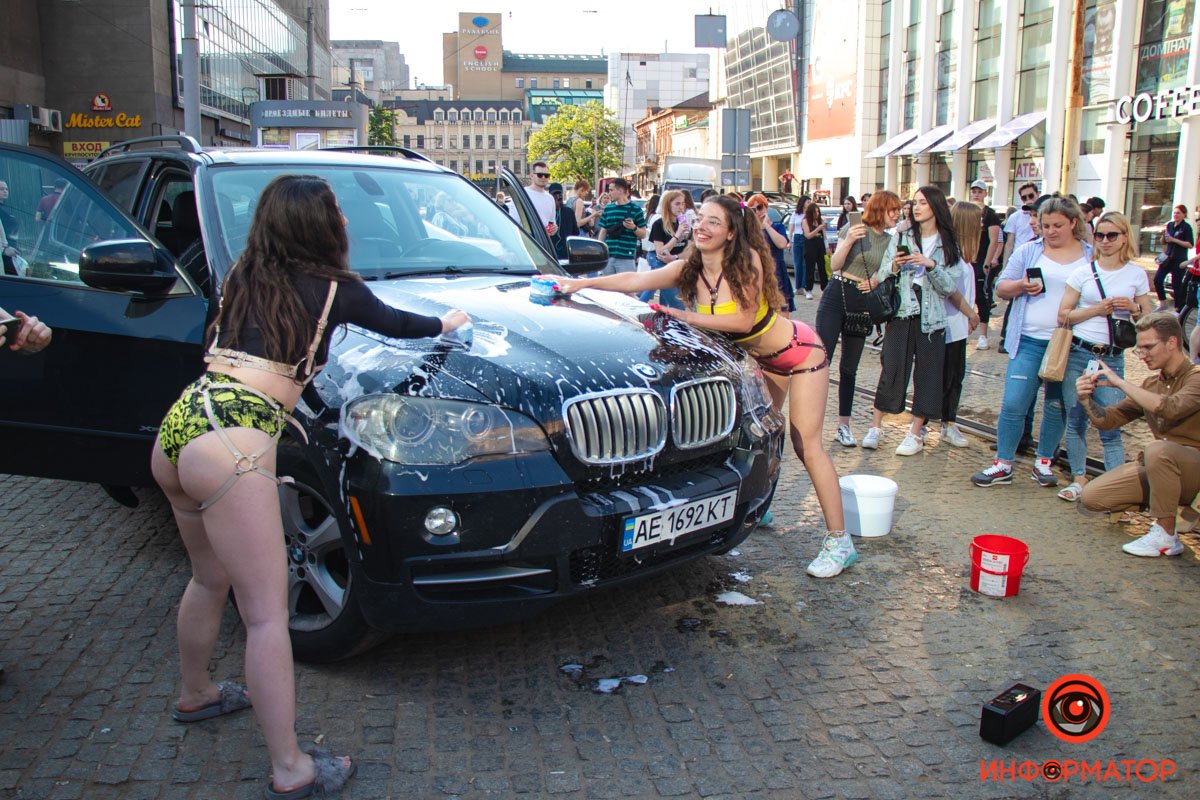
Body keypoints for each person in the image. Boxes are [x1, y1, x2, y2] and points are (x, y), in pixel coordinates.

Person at [150, 175, 470, 799]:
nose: (346, 222)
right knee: (267, 617)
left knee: (208, 577)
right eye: (338, 214)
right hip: (236, 440)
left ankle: (196, 694)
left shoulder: (244, 273)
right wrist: (448, 321)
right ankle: (291, 767)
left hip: (184, 423)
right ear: (322, 227)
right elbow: (398, 322)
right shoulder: (334, 288)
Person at [541, 195, 858, 579]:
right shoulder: (690, 268)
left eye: (713, 222)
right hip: (763, 359)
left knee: (805, 445)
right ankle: (761, 504)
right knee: (764, 436)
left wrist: (678, 314)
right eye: (699, 219)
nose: (702, 228)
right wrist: (577, 284)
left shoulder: (747, 262)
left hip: (799, 352)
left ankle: (839, 542)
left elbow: (742, 321)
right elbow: (635, 280)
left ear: (729, 233)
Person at [972, 195, 1092, 488]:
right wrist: (1022, 286)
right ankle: (1003, 462)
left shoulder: (1090, 254)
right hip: (1028, 339)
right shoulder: (1029, 250)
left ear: (1073, 223)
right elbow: (1001, 287)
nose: (1050, 231)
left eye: (1057, 226)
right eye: (1046, 225)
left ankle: (1043, 461)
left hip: (1068, 343)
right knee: (1014, 401)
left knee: (1056, 405)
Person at [1077, 313, 1200, 557]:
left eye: (1148, 347)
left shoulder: (1196, 377)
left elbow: (1170, 407)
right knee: (1092, 497)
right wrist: (1085, 399)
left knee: (1157, 450)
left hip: (1192, 469)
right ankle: (1166, 505)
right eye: (1139, 349)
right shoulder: (1151, 385)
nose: (1142, 355)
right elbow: (1108, 420)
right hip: (1164, 467)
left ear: (1172, 343)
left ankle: (1165, 535)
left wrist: (1121, 383)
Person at [1055, 211, 1153, 502]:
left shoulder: (1135, 274)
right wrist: (1097, 310)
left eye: (1112, 235)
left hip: (1111, 357)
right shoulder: (1083, 272)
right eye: (1100, 235)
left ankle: (1116, 488)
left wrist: (1134, 309)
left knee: (1111, 423)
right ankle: (1079, 478)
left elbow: (1149, 319)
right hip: (1079, 353)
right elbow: (1063, 315)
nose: (1106, 241)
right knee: (1076, 420)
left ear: (1125, 237)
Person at [861, 186, 961, 455]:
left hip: (932, 317)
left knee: (928, 374)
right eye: (914, 203)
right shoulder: (903, 233)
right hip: (903, 309)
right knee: (891, 368)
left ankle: (915, 432)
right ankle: (875, 426)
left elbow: (950, 286)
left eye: (923, 203)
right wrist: (895, 265)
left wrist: (930, 265)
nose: (916, 208)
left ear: (936, 208)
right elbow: (884, 270)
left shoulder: (947, 243)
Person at [819, 191, 902, 447]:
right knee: (822, 362)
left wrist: (880, 277)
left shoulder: (890, 240)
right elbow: (834, 265)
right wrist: (847, 241)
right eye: (893, 210)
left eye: (899, 210)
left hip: (862, 301)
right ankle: (813, 424)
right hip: (837, 294)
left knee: (849, 368)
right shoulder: (854, 229)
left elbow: (888, 270)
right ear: (879, 209)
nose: (897, 215)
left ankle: (843, 426)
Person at [942, 202, 983, 447]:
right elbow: (952, 291)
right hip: (948, 325)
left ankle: (948, 421)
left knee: (954, 377)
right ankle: (942, 423)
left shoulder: (961, 255)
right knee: (947, 377)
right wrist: (972, 314)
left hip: (956, 327)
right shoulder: (952, 254)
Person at [639, 189, 689, 309]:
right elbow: (661, 252)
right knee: (678, 305)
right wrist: (677, 235)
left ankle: (641, 307)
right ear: (668, 205)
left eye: (683, 204)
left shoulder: (683, 223)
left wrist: (676, 257)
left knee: (661, 295)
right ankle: (638, 307)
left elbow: (690, 248)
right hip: (662, 265)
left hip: (677, 264)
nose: (681, 207)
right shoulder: (659, 224)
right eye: (677, 204)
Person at [969, 179, 1002, 350]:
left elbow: (993, 240)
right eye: (974, 191)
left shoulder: (990, 214)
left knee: (982, 297)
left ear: (985, 193)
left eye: (979, 191)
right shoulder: (967, 211)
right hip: (967, 258)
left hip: (981, 261)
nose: (976, 194)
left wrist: (987, 262)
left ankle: (983, 335)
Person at [746, 193, 794, 313]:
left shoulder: (777, 226)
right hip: (757, 271)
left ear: (766, 207)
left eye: (760, 207)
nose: (758, 211)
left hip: (776, 271)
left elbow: (782, 244)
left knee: (781, 306)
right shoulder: (749, 231)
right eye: (754, 209)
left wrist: (767, 226)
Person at [595, 177, 647, 275]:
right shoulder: (608, 209)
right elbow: (603, 231)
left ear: (621, 190)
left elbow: (643, 234)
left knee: (626, 289)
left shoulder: (636, 210)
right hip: (608, 256)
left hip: (626, 257)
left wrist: (634, 227)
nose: (609, 193)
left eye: (611, 190)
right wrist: (599, 251)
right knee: (607, 288)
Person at [1154, 204, 1193, 311]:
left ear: (1184, 215)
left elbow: (1190, 244)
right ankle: (1162, 303)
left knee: (1176, 285)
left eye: (1178, 213)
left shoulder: (1186, 227)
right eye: (1174, 213)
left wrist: (1174, 240)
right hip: (1167, 258)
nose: (1175, 215)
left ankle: (1178, 308)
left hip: (1179, 259)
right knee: (1157, 279)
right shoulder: (1170, 225)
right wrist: (1163, 236)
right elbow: (1164, 242)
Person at [1001, 183, 1041, 266]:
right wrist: (1004, 266)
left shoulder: (1044, 214)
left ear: (1037, 194)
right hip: (1019, 258)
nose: (1028, 199)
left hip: (1037, 257)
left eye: (1031, 196)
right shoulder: (1015, 216)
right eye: (1024, 197)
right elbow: (1009, 244)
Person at [516, 161, 558, 237]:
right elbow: (514, 222)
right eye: (539, 175)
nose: (543, 178)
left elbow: (551, 223)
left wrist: (554, 229)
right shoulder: (522, 194)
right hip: (526, 240)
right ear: (532, 176)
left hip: (543, 243)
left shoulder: (550, 198)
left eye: (546, 175)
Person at [800, 199, 828, 299]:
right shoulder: (805, 221)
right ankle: (809, 289)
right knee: (810, 268)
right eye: (814, 212)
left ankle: (825, 289)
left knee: (822, 268)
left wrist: (827, 246)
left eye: (818, 211)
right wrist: (818, 229)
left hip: (820, 245)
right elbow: (808, 235)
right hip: (810, 246)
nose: (817, 213)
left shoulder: (820, 221)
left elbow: (824, 235)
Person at [549, 182, 580, 260]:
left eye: (559, 194)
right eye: (554, 195)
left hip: (565, 254)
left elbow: (575, 232)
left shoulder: (569, 212)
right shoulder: (546, 211)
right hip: (550, 253)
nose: (557, 197)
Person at [787, 196, 810, 294]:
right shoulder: (795, 214)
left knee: (805, 263)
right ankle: (797, 286)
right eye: (808, 202)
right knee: (797, 263)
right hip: (797, 238)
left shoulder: (809, 215)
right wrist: (790, 241)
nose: (809, 204)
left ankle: (804, 286)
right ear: (803, 202)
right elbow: (791, 228)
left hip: (806, 238)